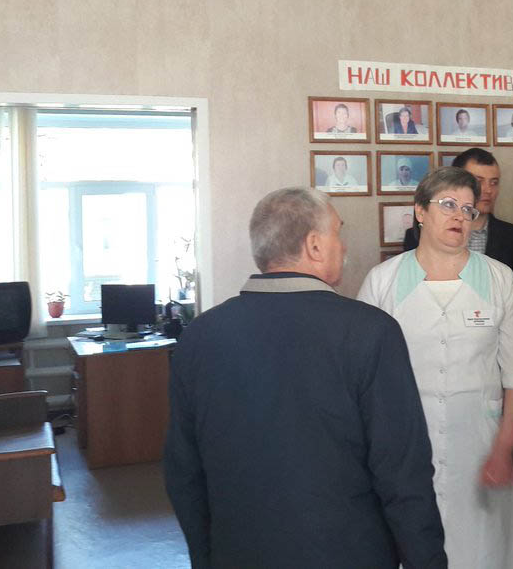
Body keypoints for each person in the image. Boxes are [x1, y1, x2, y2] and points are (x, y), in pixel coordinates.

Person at [164, 187, 445, 568]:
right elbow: (403, 475)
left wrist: (207, 557)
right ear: (314, 245)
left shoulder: (199, 335)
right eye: (338, 233)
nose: (343, 247)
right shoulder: (370, 332)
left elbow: (183, 472)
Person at [358, 167, 513, 569]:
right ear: (420, 212)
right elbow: (361, 379)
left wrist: (504, 447)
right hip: (403, 445)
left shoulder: (499, 279)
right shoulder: (382, 282)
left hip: (480, 445)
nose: (460, 216)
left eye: (469, 210)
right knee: (411, 544)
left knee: (482, 551)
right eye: (449, 205)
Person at [402, 148, 513, 346]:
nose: (487, 190)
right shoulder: (417, 236)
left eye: (494, 182)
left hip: (494, 352)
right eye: (479, 181)